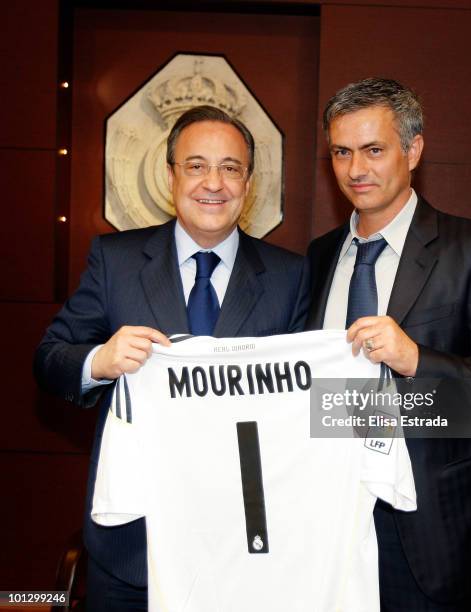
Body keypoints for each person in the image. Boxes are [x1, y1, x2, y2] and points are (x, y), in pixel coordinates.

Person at [34, 105, 309, 611]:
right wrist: (99, 359)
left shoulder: (290, 277)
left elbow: (303, 404)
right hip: (132, 546)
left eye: (230, 168)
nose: (214, 182)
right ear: (170, 175)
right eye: (196, 165)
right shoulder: (114, 261)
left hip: (243, 546)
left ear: (248, 183)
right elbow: (49, 359)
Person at [305, 77, 471, 611]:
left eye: (374, 150)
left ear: (413, 149)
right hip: (331, 521)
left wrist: (416, 360)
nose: (355, 170)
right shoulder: (320, 257)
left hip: (433, 532)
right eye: (341, 152)